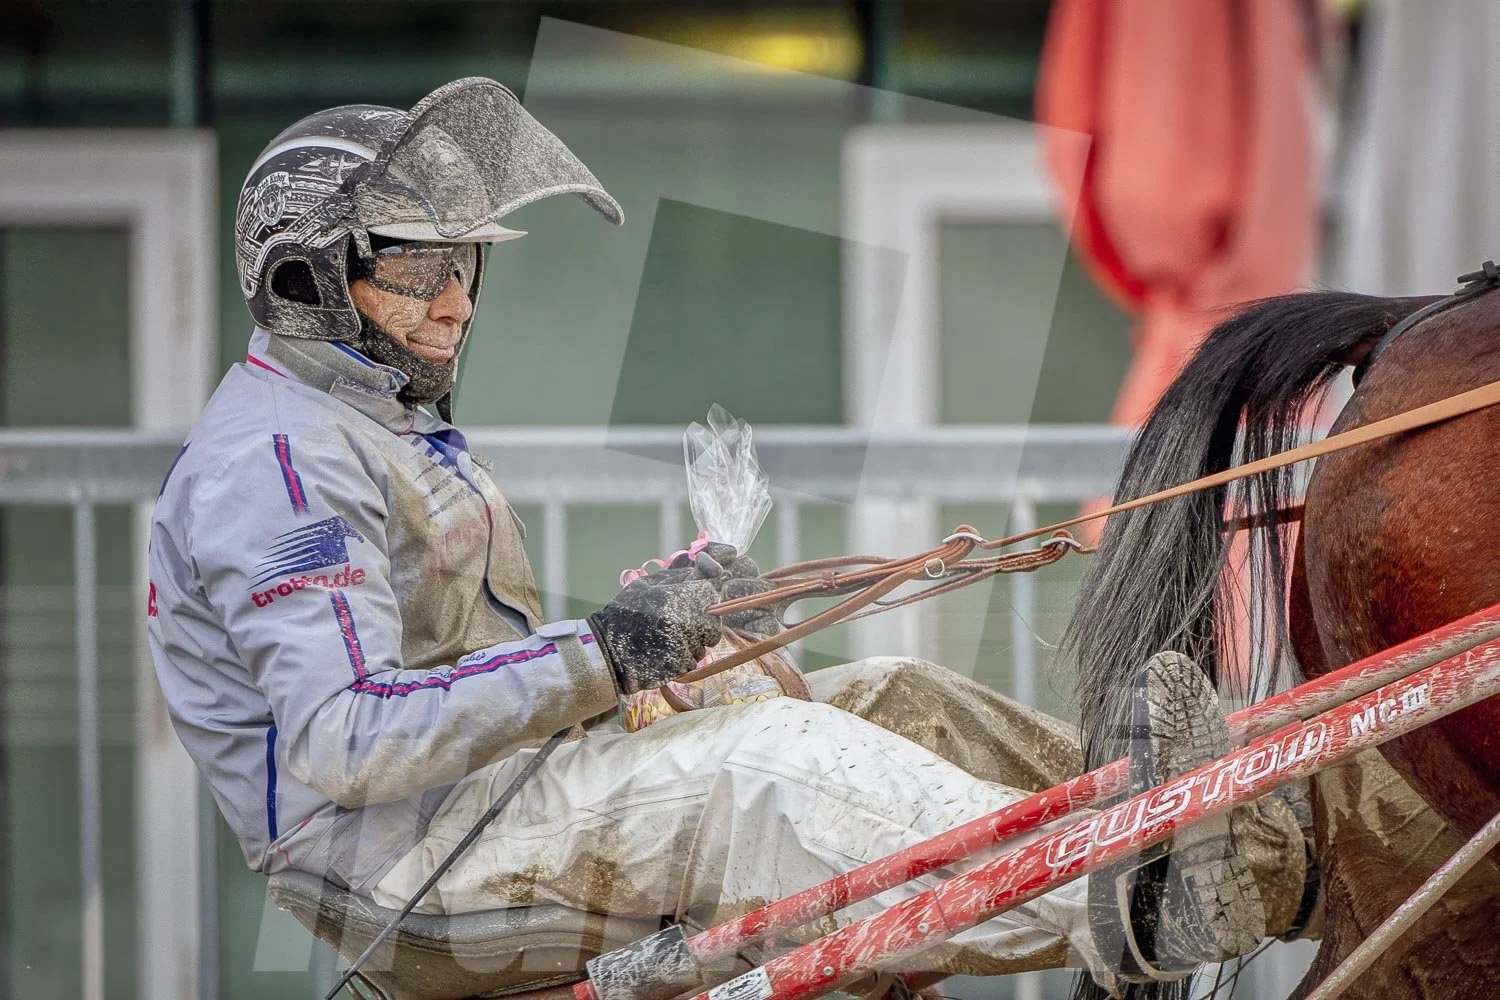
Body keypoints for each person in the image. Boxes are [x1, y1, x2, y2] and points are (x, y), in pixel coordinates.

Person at [146, 78, 1311, 996]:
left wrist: (640, 650)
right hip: (403, 881)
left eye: (466, 265)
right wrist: (602, 654)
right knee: (765, 769)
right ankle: (1134, 894)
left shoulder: (366, 423)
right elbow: (348, 740)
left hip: (475, 811)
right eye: (416, 267)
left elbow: (453, 679)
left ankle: (1213, 829)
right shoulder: (277, 463)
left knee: (888, 691)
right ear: (306, 278)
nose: (455, 301)